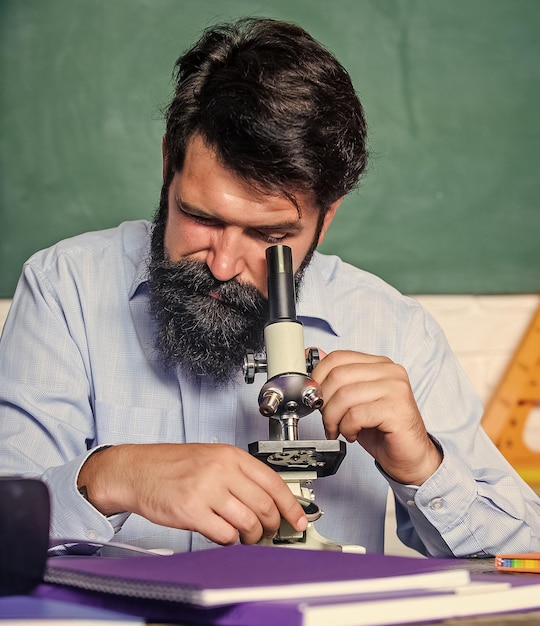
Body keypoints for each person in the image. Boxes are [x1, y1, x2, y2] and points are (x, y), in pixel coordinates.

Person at [1, 17, 539, 557]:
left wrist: (422, 465)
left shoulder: (396, 329)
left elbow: (527, 555)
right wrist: (110, 476)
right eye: (201, 217)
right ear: (169, 164)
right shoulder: (65, 288)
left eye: (269, 235)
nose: (225, 264)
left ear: (325, 220)